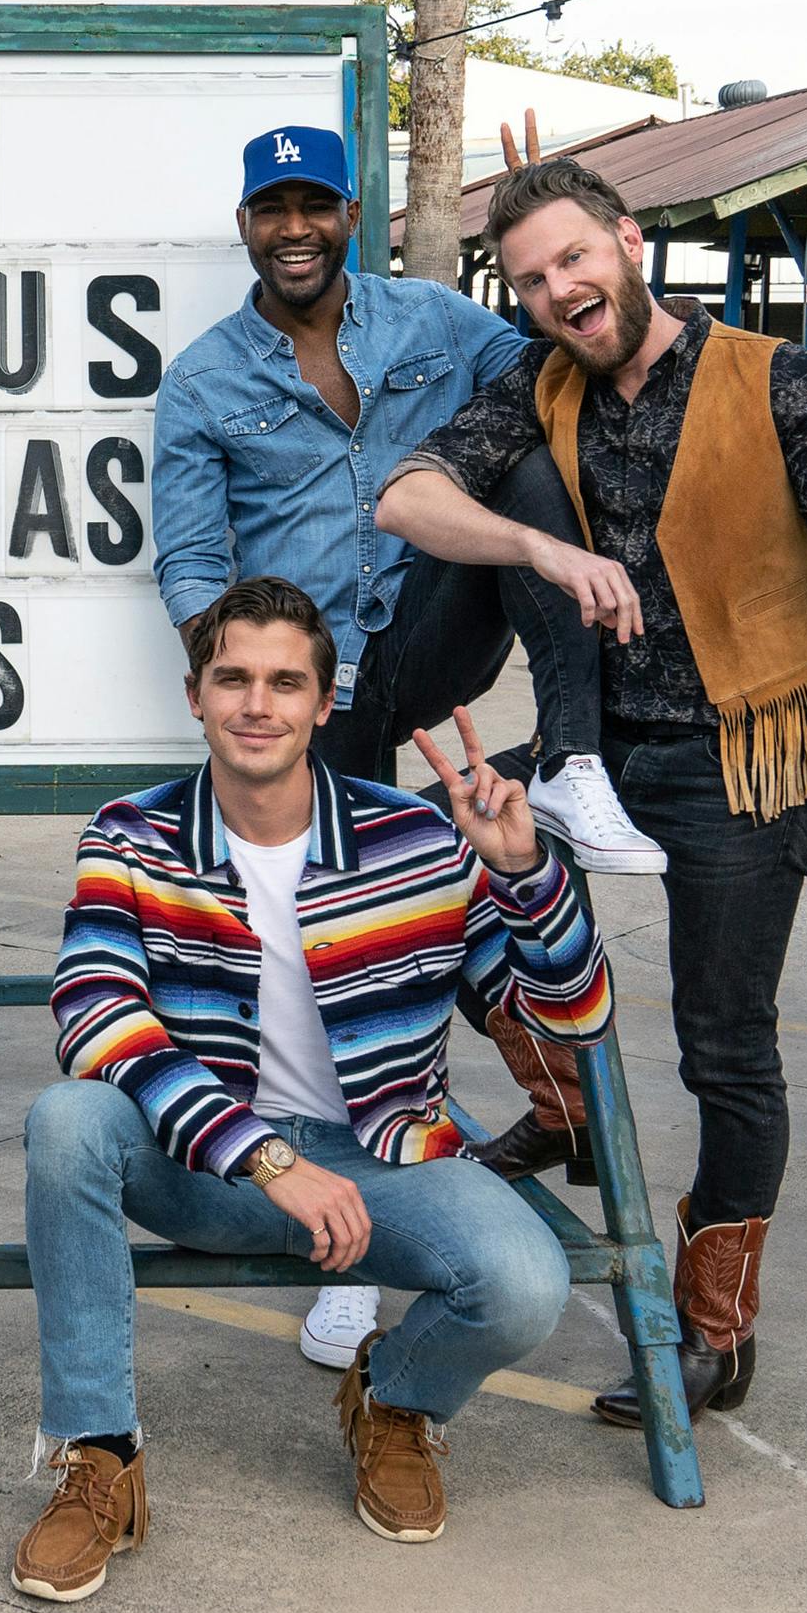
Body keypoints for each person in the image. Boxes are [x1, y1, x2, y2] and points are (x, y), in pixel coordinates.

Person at [377, 154, 807, 1424]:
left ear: (628, 243)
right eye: (531, 279)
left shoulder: (776, 378)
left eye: (574, 259)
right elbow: (407, 496)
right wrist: (536, 541)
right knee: (417, 863)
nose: (558, 291)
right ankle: (566, 1105)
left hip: (747, 753)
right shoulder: (541, 388)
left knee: (724, 1048)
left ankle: (714, 1326)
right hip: (607, 748)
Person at [150, 122, 662, 1373]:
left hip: (432, 641)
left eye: (313, 204)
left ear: (348, 211)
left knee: (528, 474)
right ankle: (356, 1263)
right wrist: (257, 698)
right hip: (324, 692)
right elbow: (191, 563)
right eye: (271, 207)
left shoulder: (434, 323)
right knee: (353, 968)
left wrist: (588, 234)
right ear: (246, 225)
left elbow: (570, 357)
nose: (294, 228)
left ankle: (577, 765)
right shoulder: (206, 377)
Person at [12, 576, 613, 1600]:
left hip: (383, 1167)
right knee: (68, 1120)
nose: (258, 703)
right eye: (234, 677)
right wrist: (265, 1156)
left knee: (525, 1278)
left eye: (285, 682)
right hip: (210, 1168)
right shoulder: (131, 834)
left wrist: (523, 877)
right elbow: (96, 1015)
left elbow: (569, 1016)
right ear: (195, 694)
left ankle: (396, 1399)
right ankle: (97, 1454)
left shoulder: (417, 842)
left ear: (324, 706)